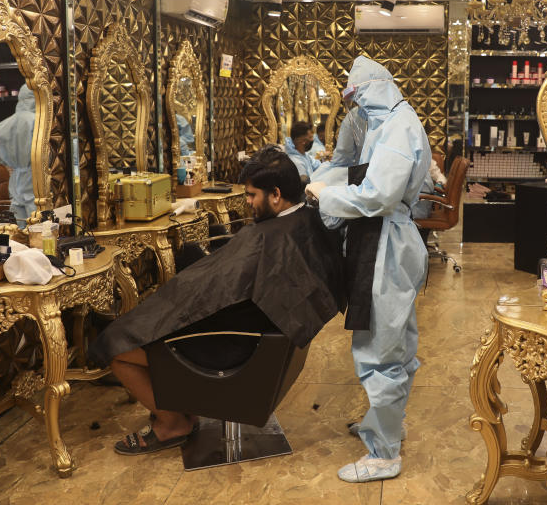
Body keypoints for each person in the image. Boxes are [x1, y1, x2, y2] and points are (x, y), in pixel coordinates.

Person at [88, 146, 345, 455]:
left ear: (275, 194)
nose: (247, 202)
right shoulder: (305, 219)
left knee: (117, 345)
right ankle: (186, 407)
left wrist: (177, 299)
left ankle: (172, 424)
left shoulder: (267, 238)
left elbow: (215, 289)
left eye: (251, 195)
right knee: (185, 266)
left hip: (233, 343)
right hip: (258, 329)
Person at [306, 55, 431, 483]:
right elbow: (351, 166)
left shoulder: (397, 127)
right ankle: (387, 426)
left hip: (387, 243)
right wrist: (325, 180)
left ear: (373, 88)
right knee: (393, 342)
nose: (354, 105)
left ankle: (384, 454)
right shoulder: (385, 122)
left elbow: (376, 196)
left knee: (382, 351)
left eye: (356, 95)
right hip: (382, 240)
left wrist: (324, 197)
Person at [0, 84, 37, 222]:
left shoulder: (3, 125)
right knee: (40, 228)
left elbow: (1, 158)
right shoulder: (38, 121)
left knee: (21, 229)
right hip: (35, 179)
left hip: (15, 180)